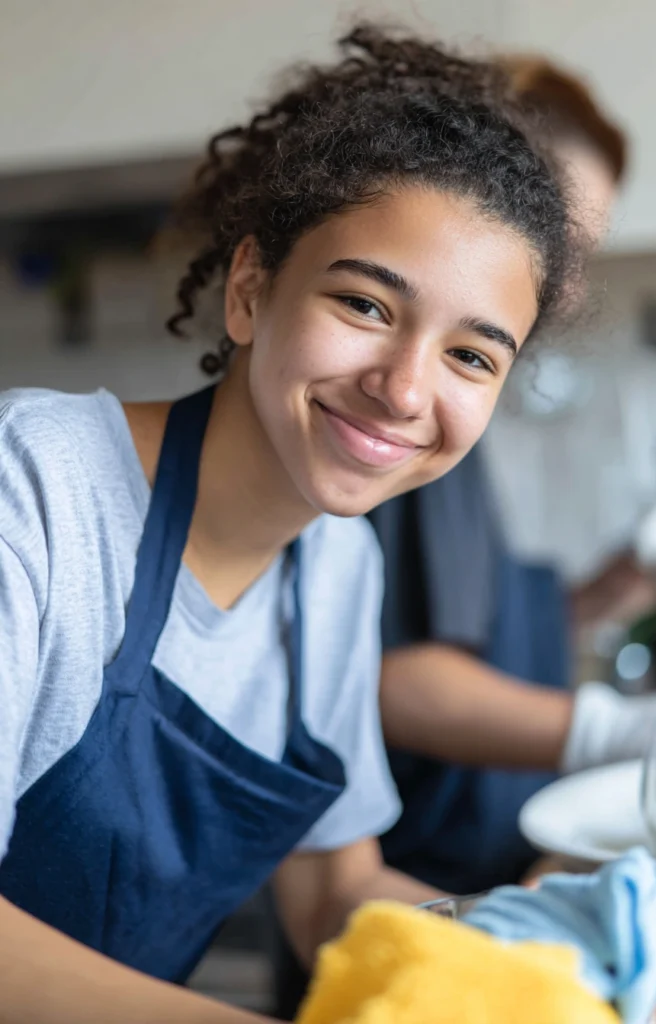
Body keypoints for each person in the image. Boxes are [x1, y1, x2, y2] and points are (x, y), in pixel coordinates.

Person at [0, 23, 581, 1024]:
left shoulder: (337, 568)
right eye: (363, 303)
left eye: (472, 357)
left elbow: (332, 894)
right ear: (249, 289)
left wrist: (549, 955)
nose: (404, 389)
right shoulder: (39, 485)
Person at [270, 52, 656, 1022]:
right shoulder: (372, 435)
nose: (565, 267)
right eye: (558, 219)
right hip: (418, 883)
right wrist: (619, 730)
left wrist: (544, 938)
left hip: (429, 915)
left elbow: (337, 892)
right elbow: (402, 678)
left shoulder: (432, 430)